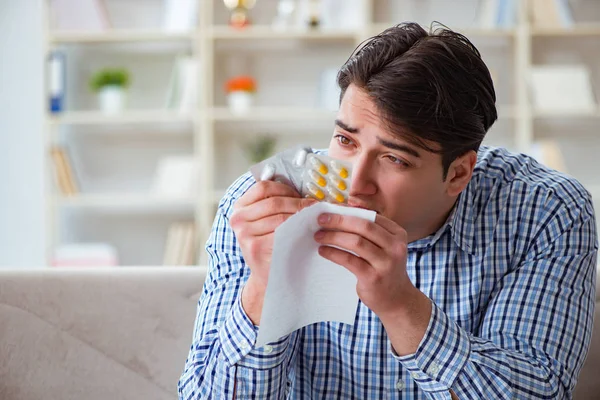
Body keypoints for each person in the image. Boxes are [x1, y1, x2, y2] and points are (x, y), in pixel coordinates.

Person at [178, 23, 598, 399]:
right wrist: (267, 287)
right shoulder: (261, 206)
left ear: (458, 173)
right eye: (346, 140)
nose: (355, 182)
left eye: (394, 159)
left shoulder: (546, 213)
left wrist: (400, 305)